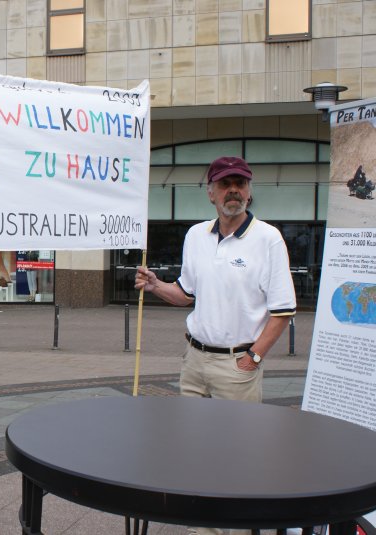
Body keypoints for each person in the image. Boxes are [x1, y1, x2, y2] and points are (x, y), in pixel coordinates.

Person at [135, 156, 296, 535]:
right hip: (194, 362)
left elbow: (283, 310)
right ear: (211, 193)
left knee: (237, 459)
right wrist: (157, 285)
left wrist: (253, 358)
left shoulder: (268, 238)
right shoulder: (196, 236)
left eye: (240, 183)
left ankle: (237, 529)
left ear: (250, 190)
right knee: (195, 453)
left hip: (236, 366)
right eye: (225, 184)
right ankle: (203, 530)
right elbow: (187, 294)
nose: (233, 191)